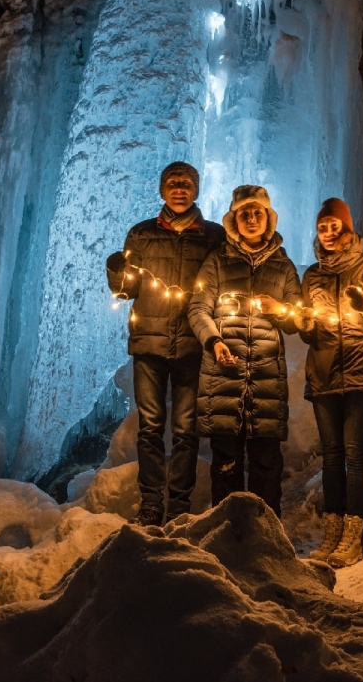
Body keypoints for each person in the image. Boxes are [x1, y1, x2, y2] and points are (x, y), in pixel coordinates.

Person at [106, 161, 226, 527]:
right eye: (173, 183)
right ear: (162, 190)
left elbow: (223, 286)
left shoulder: (213, 235)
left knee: (186, 430)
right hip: (149, 346)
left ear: (196, 190)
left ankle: (179, 505)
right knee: (151, 427)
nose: (179, 189)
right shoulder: (141, 234)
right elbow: (127, 290)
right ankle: (151, 504)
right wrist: (115, 272)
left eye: (186, 184)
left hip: (193, 344)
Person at [297, 198, 363, 567]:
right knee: (332, 455)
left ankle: (353, 536)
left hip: (362, 369)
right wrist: (304, 325)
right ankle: (333, 531)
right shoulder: (312, 275)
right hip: (324, 371)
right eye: (322, 227)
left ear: (347, 228)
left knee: (354, 452)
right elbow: (308, 329)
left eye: (334, 226)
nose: (327, 233)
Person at [188, 185, 302, 516]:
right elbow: (198, 308)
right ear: (234, 220)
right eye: (244, 214)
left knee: (267, 463)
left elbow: (297, 320)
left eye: (258, 213)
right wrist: (215, 341)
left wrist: (280, 309)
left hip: (266, 379)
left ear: (268, 219)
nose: (251, 219)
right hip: (223, 377)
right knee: (226, 462)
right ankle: (228, 534)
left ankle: (266, 538)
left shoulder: (283, 266)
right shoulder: (217, 263)